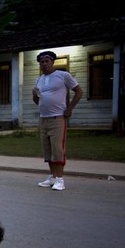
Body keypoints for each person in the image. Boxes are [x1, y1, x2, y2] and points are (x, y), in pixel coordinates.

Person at [32, 50, 83, 191]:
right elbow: (39, 101)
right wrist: (34, 96)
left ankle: (60, 179)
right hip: (43, 119)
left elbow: (79, 91)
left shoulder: (63, 76)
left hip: (57, 118)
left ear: (52, 61)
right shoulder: (39, 79)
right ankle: (52, 177)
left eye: (47, 61)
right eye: (41, 62)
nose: (44, 64)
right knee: (47, 150)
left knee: (57, 149)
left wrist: (70, 108)